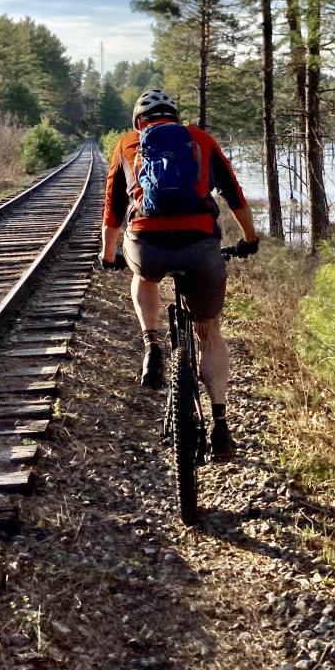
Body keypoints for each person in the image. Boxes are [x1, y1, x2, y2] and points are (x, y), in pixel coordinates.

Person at [98, 89, 259, 461]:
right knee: (209, 331)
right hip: (200, 244)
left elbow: (112, 208)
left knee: (143, 276)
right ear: (174, 116)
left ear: (140, 121)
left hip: (146, 242)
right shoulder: (201, 139)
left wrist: (109, 256)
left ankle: (151, 343)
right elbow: (234, 195)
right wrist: (249, 238)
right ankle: (220, 422)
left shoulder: (127, 144)